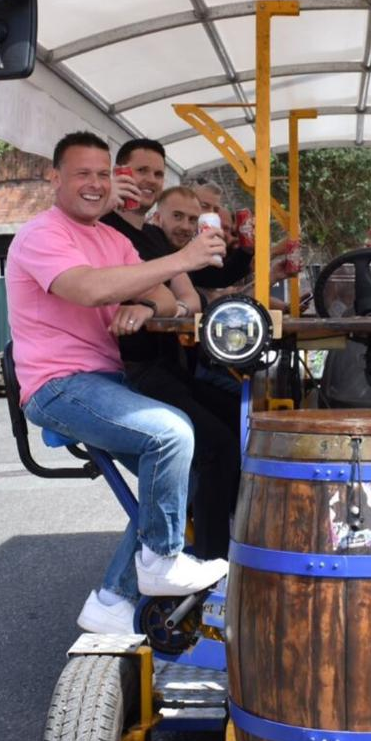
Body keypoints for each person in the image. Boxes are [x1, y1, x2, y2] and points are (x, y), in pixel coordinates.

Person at [6, 132, 230, 636]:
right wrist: (183, 260)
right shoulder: (42, 234)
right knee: (171, 432)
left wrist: (145, 302)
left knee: (192, 467)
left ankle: (114, 597)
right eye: (81, 173)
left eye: (102, 174)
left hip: (106, 380)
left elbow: (172, 303)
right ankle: (160, 564)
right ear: (55, 178)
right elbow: (84, 287)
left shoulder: (113, 239)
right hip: (58, 385)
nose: (93, 184)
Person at [103, 143, 243, 544]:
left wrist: (164, 306)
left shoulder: (150, 235)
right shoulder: (105, 230)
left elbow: (189, 298)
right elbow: (163, 294)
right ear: (119, 174)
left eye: (157, 174)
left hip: (170, 365)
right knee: (215, 446)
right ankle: (214, 558)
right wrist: (163, 303)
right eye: (139, 171)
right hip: (135, 369)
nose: (148, 181)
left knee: (244, 419)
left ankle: (229, 524)